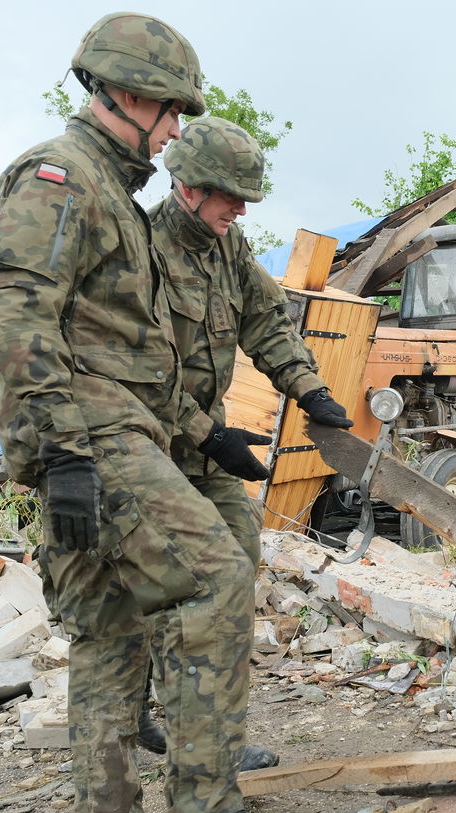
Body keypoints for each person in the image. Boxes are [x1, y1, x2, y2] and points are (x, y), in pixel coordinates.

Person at [0, 13, 291, 813]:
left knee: (109, 632)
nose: (176, 132)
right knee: (215, 575)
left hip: (113, 435)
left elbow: (135, 353)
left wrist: (199, 436)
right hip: (93, 437)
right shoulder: (63, 179)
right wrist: (67, 455)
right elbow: (19, 323)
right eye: (171, 111)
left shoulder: (110, 189)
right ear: (125, 93)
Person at [135, 116, 353, 758]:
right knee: (168, 591)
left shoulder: (229, 247)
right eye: (228, 194)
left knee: (237, 565)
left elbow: (267, 322)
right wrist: (209, 433)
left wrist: (308, 388)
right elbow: (137, 371)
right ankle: (146, 714)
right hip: (147, 452)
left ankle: (213, 739)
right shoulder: (139, 252)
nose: (240, 207)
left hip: (207, 450)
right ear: (186, 187)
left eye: (246, 197)